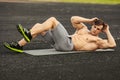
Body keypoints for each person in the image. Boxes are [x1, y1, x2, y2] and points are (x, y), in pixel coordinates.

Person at [4, 16, 116, 53]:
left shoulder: (97, 41)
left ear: (101, 31)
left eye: (98, 29)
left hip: (68, 45)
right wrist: (89, 20)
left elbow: (112, 45)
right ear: (92, 25)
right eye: (95, 26)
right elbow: (73, 19)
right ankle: (19, 46)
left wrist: (107, 31)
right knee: (39, 26)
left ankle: (28, 34)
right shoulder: (84, 28)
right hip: (57, 44)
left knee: (53, 20)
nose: (95, 30)